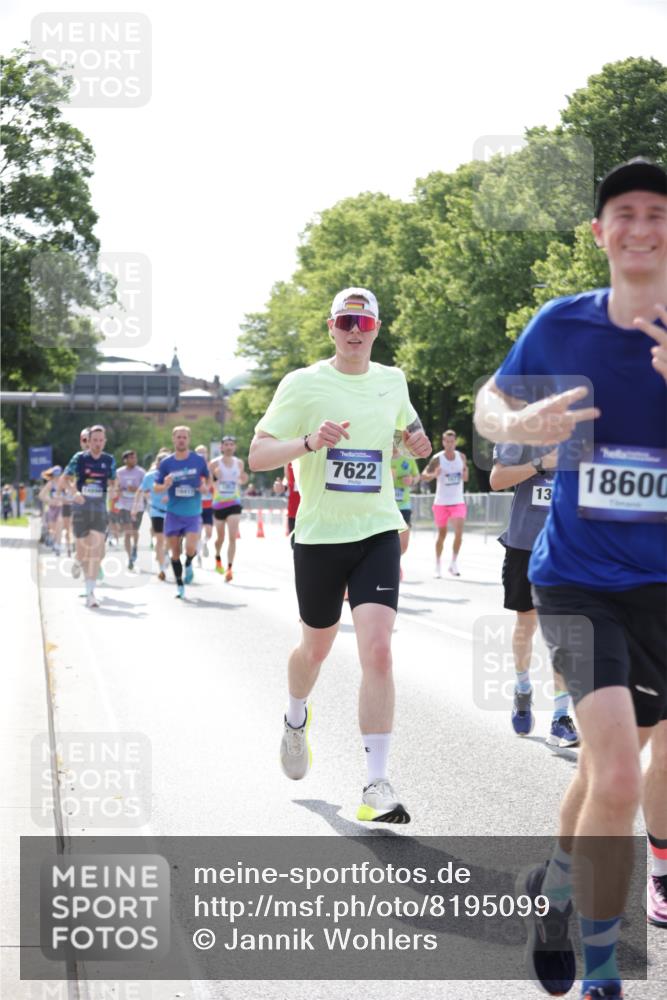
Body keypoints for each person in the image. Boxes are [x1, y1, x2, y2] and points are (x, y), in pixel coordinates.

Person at [474, 158, 667, 999]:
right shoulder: (562, 324)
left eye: (657, 212)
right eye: (622, 212)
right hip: (578, 582)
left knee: (601, 773)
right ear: (599, 233)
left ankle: (554, 894)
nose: (640, 226)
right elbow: (490, 397)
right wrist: (512, 420)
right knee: (618, 777)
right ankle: (602, 974)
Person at [249, 287, 431, 823]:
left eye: (365, 322)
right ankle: (295, 717)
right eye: (346, 321)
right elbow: (260, 453)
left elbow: (409, 439)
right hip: (320, 537)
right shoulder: (303, 384)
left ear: (377, 330)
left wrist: (415, 447)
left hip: (377, 528)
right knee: (316, 650)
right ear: (331, 327)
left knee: (378, 652)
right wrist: (308, 442)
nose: (356, 330)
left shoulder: (392, 381)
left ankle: (376, 784)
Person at [490, 444, 579, 746]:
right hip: (525, 545)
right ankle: (523, 688)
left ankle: (560, 716)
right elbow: (497, 479)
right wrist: (542, 463)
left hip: (567, 548)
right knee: (526, 626)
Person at [62, 425, 117, 608]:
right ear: (89, 441)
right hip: (81, 509)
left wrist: (114, 489)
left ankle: (90, 592)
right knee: (83, 551)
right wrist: (74, 492)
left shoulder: (109, 460)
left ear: (105, 442)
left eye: (101, 441)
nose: (98, 444)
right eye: (95, 440)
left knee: (95, 550)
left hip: (99, 508)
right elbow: (64, 480)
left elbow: (113, 481)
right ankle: (78, 561)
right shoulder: (79, 459)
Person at [154, 426, 211, 599]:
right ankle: (180, 585)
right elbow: (156, 488)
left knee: (191, 547)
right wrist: (165, 485)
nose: (181, 440)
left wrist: (204, 487)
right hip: (173, 512)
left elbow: (208, 479)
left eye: (184, 437)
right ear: (173, 439)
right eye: (178, 437)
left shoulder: (198, 460)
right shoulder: (167, 463)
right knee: (174, 552)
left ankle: (189, 564)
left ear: (189, 439)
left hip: (193, 512)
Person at [421, 429, 468, 577]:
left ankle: (453, 563)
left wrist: (464, 474)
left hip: (457, 501)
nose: (449, 444)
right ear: (443, 442)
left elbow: (465, 478)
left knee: (459, 533)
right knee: (442, 534)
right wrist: (434, 474)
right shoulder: (437, 458)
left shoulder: (461, 457)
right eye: (446, 441)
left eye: (452, 441)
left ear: (455, 442)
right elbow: (424, 476)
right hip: (441, 502)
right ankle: (438, 564)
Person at [210, 435, 248, 581]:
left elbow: (241, 480)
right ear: (221, 447)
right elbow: (209, 483)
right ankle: (218, 557)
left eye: (231, 444)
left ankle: (229, 568)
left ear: (235, 447)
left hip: (234, 503)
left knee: (232, 537)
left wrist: (244, 479)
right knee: (220, 538)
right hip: (219, 504)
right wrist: (215, 476)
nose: (229, 447)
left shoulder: (239, 463)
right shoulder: (214, 463)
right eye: (226, 444)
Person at [133, 449, 170, 580]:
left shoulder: (175, 476)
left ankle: (165, 554)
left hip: (172, 511)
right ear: (157, 463)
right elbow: (140, 491)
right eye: (161, 462)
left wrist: (171, 497)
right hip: (156, 510)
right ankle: (161, 568)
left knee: (169, 539)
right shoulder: (150, 476)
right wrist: (135, 507)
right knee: (160, 539)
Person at [391, 437, 420, 577]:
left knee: (403, 542)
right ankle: (392, 563)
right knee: (388, 538)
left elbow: (417, 476)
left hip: (404, 504)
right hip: (387, 507)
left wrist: (412, 480)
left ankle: (396, 560)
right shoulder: (383, 457)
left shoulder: (408, 458)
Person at [116, 450, 146, 571]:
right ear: (125, 460)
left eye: (135, 457)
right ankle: (129, 558)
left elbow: (146, 488)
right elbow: (115, 487)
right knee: (127, 532)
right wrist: (119, 489)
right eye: (131, 458)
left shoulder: (141, 472)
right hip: (124, 505)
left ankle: (135, 547)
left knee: (135, 531)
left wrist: (135, 489)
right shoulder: (119, 472)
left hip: (137, 506)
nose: (134, 460)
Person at [194, 444, 214, 565]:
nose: (202, 454)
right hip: (197, 505)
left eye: (204, 452)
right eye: (199, 452)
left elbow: (217, 483)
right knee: (198, 532)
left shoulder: (211, 467)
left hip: (209, 505)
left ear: (207, 454)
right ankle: (198, 556)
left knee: (209, 533)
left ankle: (205, 543)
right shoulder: (194, 468)